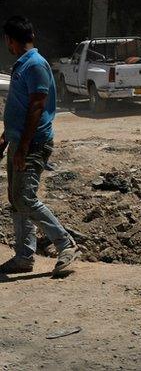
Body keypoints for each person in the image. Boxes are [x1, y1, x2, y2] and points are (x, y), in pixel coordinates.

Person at [0, 16, 79, 276]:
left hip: (32, 144)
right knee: (16, 199)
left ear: (10, 40)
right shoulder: (23, 65)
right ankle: (24, 256)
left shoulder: (34, 65)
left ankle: (66, 244)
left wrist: (22, 147)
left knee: (25, 198)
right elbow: (21, 107)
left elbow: (36, 106)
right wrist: (6, 139)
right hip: (19, 141)